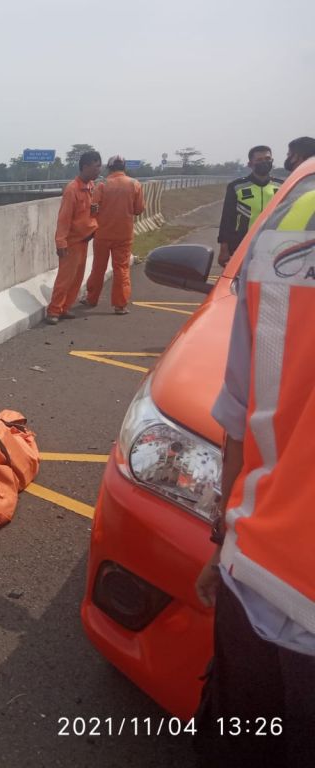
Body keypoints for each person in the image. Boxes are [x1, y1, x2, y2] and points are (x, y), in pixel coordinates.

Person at [194, 137, 315, 767]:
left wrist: (225, 541)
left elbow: (239, 421)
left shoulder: (295, 217)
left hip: (259, 579)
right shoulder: (259, 196)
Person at [82, 155, 144, 314]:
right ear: (124, 167)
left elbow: (93, 209)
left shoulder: (102, 185)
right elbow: (138, 210)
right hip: (124, 235)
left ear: (109, 168)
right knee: (121, 269)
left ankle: (91, 299)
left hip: (102, 234)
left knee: (98, 268)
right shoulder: (134, 184)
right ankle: (120, 305)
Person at [45, 151, 102, 325]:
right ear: (85, 167)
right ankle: (54, 311)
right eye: (96, 166)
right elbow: (64, 218)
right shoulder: (72, 189)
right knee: (65, 279)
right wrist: (60, 241)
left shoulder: (91, 186)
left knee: (77, 279)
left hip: (84, 240)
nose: (99, 170)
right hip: (71, 242)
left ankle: (64, 308)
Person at [217, 145, 284, 267]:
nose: (264, 162)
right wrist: (224, 249)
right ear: (250, 164)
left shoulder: (283, 186)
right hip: (242, 246)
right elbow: (227, 219)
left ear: (272, 161)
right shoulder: (236, 186)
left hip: (274, 247)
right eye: (259, 160)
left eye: (267, 159)